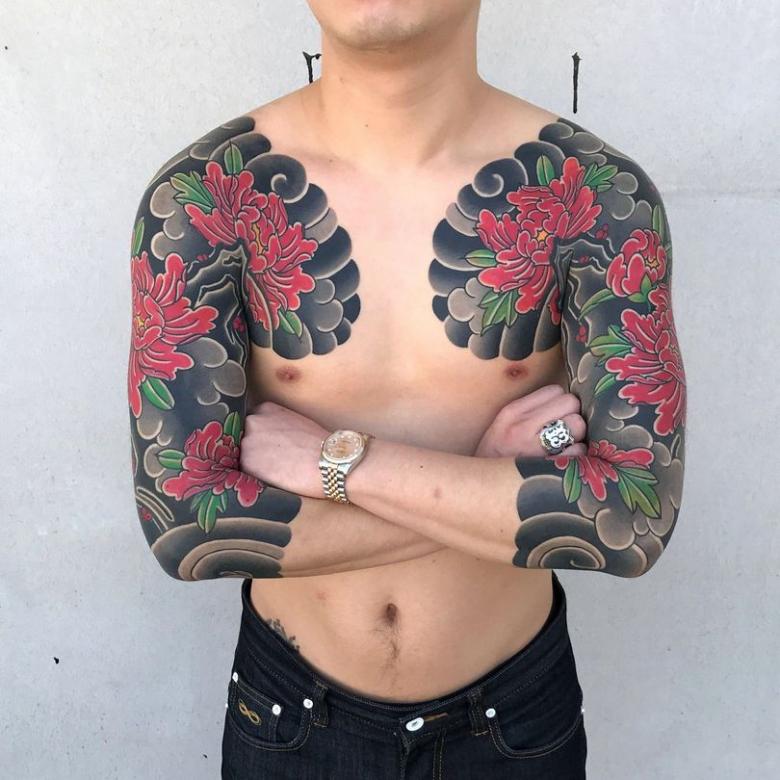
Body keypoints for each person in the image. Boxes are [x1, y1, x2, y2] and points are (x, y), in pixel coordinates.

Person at [127, 1, 687, 777]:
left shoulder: (595, 197)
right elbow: (187, 528)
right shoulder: (205, 199)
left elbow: (633, 517)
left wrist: (337, 462)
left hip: (514, 717)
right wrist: (487, 476)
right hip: (289, 714)